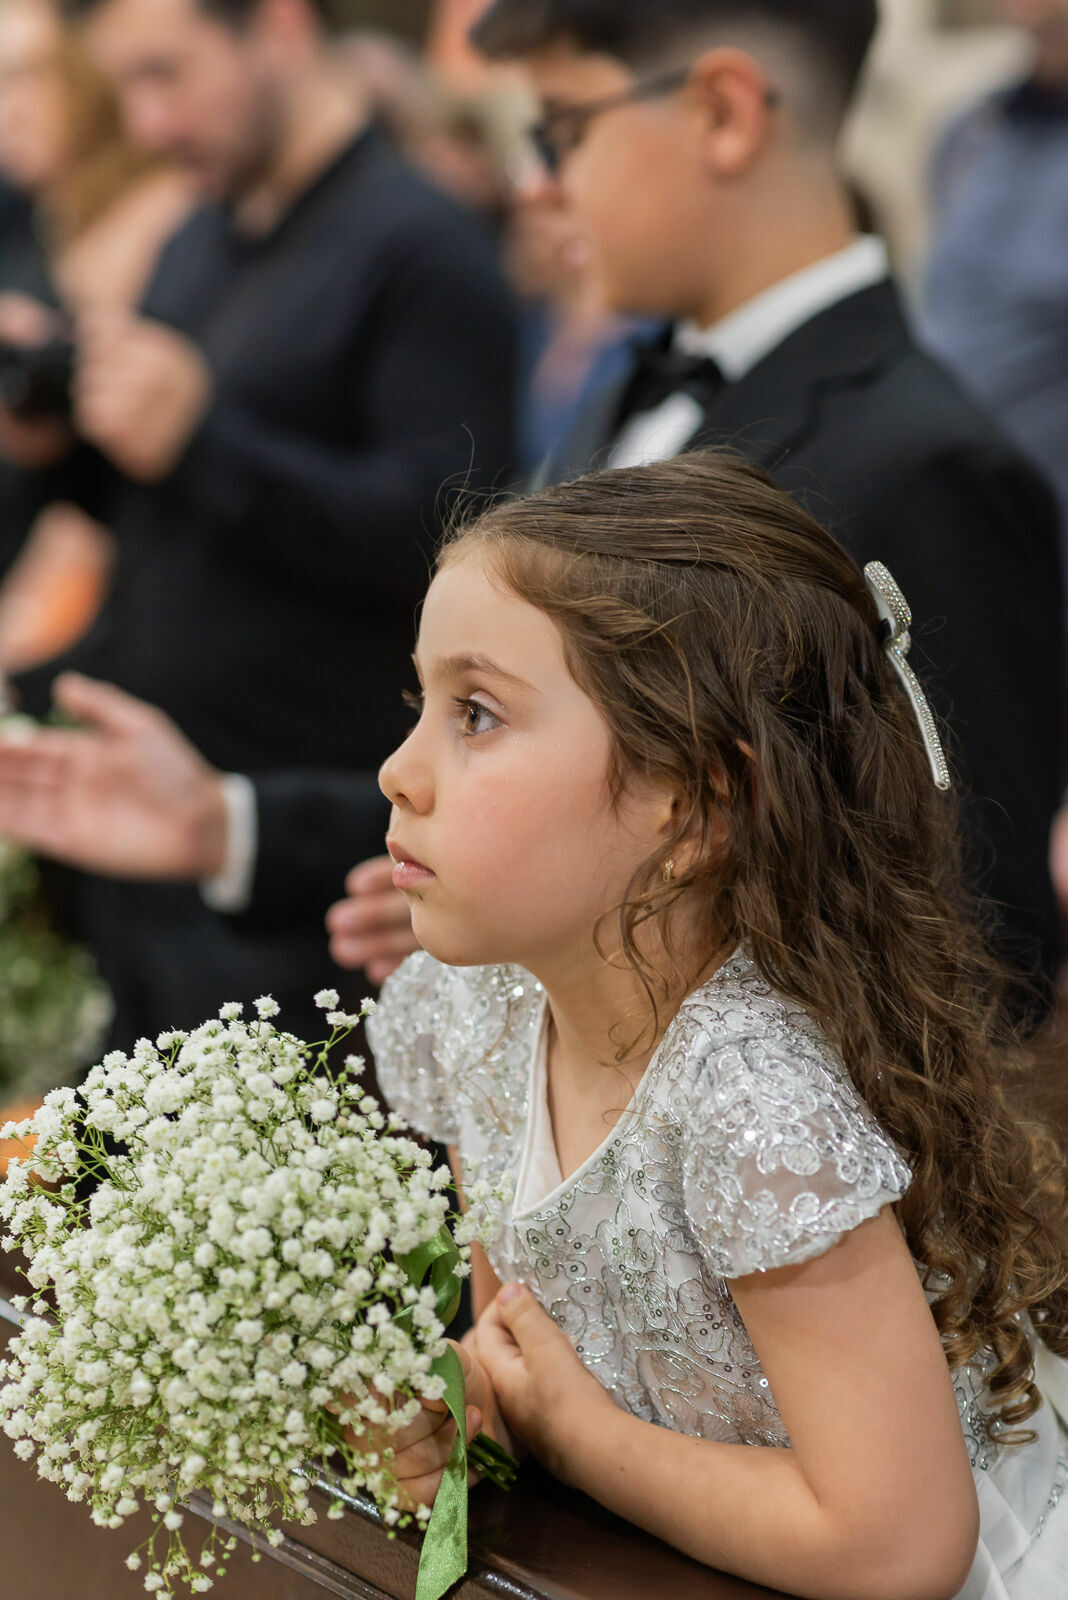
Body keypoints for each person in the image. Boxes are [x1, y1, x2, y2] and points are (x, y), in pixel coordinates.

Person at [362, 454, 1068, 1600]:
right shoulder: (473, 1006)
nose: (399, 771)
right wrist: (461, 1405)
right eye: (422, 704)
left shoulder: (747, 1099)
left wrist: (576, 1439)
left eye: (477, 714)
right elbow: (518, 1340)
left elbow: (898, 1545)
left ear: (690, 806)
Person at [464, 0, 1063, 1008]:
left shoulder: (926, 468)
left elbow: (979, 935)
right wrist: (248, 830)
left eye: (564, 129)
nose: (534, 184)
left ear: (724, 114)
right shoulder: (625, 387)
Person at [0, 0, 517, 1043]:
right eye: (125, 87)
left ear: (276, 27)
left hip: (305, 873)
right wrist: (58, 446)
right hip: (150, 844)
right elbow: (160, 513)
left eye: (167, 74)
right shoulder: (200, 235)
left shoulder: (421, 248)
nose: (146, 124)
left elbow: (451, 551)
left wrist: (204, 438)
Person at [0, 0, 191, 663]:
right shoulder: (45, 219)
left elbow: (112, 478)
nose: (10, 108)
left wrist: (21, 628)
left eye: (29, 76)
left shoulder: (148, 223)